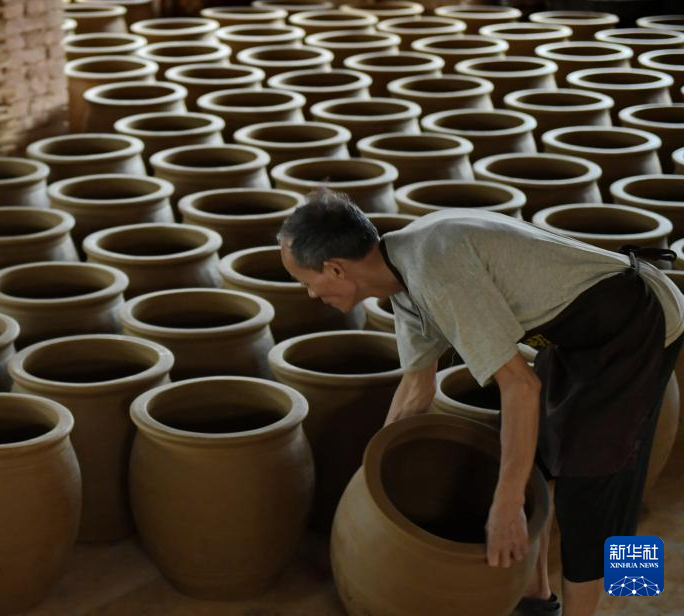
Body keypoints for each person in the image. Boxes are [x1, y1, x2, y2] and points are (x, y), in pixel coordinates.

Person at [277, 188, 684, 616]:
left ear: (336, 269)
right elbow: (416, 390)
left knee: (589, 488)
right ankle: (535, 600)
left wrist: (505, 507)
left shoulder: (437, 270)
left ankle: (623, 595)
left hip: (637, 320)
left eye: (306, 281)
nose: (310, 294)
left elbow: (521, 388)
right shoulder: (402, 271)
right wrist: (370, 480)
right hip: (576, 332)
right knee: (533, 465)